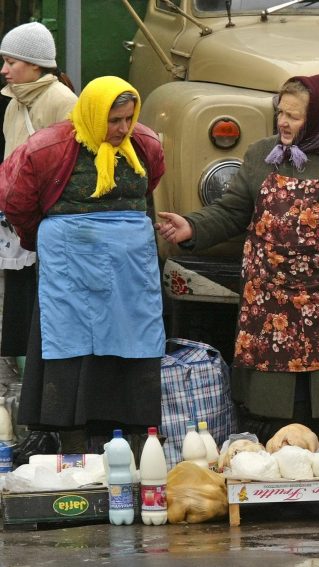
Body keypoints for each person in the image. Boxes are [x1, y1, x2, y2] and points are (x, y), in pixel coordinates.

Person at [155, 74, 319, 440]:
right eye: (280, 113)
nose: (283, 122)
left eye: (294, 116)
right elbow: (233, 211)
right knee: (277, 422)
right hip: (273, 304)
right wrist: (192, 226)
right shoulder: (261, 156)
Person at [0, 76, 166, 455]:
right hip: (70, 262)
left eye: (129, 118)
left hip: (129, 267)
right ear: (92, 113)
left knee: (133, 340)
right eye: (113, 120)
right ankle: (73, 441)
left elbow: (151, 182)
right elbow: (15, 199)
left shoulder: (144, 144)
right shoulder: (48, 147)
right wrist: (42, 237)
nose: (122, 128)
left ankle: (133, 440)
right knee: (72, 346)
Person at [0, 22, 77, 378]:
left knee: (46, 290)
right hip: (19, 217)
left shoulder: (62, 100)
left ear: (34, 64)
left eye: (11, 62)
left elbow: (70, 162)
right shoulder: (14, 103)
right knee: (20, 287)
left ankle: (42, 367)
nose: (4, 70)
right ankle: (24, 362)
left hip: (48, 216)